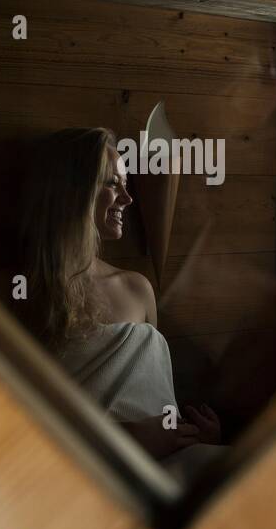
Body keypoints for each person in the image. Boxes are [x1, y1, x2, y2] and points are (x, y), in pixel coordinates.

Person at [16, 127, 222, 467]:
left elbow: (152, 400)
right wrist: (127, 440)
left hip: (164, 464)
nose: (128, 198)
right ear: (74, 191)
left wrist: (194, 436)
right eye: (113, 184)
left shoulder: (138, 289)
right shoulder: (27, 293)